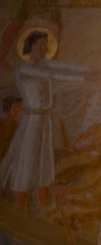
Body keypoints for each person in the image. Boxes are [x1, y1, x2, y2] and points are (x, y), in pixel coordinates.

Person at [0, 30, 87, 212]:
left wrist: (87, 72)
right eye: (40, 46)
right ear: (30, 46)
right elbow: (55, 75)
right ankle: (20, 209)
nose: (43, 49)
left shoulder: (43, 65)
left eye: (45, 47)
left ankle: (44, 210)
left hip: (45, 120)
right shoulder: (25, 69)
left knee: (44, 165)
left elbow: (61, 69)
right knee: (28, 162)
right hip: (32, 121)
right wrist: (84, 77)